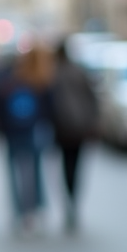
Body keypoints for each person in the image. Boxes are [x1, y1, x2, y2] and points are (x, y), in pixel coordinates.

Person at [0, 47, 54, 232]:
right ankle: (36, 208)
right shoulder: (41, 78)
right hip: (34, 130)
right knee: (34, 171)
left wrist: (1, 131)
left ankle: (20, 212)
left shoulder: (9, 79)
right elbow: (50, 108)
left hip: (13, 132)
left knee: (15, 172)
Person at [50, 40, 99, 232]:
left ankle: (69, 200)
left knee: (66, 165)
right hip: (79, 128)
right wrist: (92, 121)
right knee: (75, 166)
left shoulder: (53, 73)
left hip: (62, 128)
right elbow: (92, 98)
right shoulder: (79, 71)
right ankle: (73, 199)